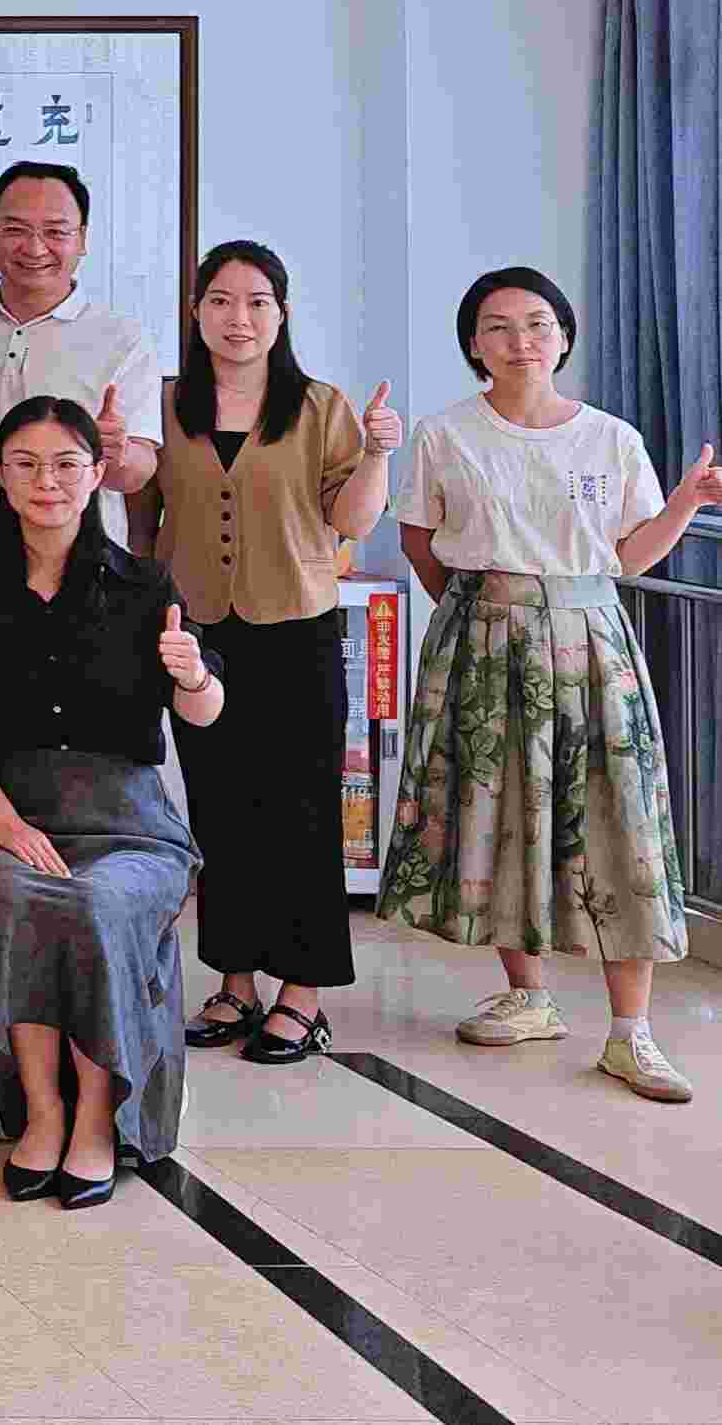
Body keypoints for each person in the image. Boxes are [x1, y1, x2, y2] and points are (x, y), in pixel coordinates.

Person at [379, 267, 716, 1102]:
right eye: (497, 326)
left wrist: (684, 500)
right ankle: (527, 995)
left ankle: (630, 1032)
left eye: (536, 324)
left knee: (620, 818)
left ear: (563, 336)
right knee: (501, 813)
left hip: (592, 640)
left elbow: (629, 557)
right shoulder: (443, 434)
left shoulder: (610, 438)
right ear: (472, 345)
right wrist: (484, 613)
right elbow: (421, 543)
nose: (519, 341)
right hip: (482, 637)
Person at [0, 395, 222, 1206]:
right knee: (20, 894)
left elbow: (205, 710)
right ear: (0, 475)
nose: (46, 481)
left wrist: (191, 675)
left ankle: (97, 1117)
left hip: (130, 824)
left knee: (97, 900)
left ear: (97, 474)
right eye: (25, 464)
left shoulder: (143, 584)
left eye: (65, 464)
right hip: (11, 815)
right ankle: (42, 1111)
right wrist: (3, 824)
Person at [130, 242, 396, 1067]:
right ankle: (234, 982)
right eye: (219, 301)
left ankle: (302, 995)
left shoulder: (319, 406)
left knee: (300, 813)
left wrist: (378, 451)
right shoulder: (164, 403)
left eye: (255, 303)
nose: (236, 318)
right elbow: (142, 522)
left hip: (294, 630)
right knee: (219, 809)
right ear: (195, 312)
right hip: (196, 632)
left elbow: (351, 520)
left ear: (280, 314)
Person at [0, 163, 161, 541]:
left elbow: (138, 471)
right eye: (15, 229)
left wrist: (117, 453)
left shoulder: (123, 339)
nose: (35, 248)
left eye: (56, 231)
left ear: (82, 239)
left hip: (82, 559)